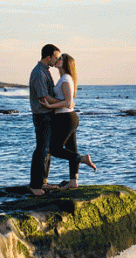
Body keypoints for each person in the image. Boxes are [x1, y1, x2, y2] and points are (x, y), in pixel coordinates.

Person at [40, 53, 96, 189]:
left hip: (66, 118)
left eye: (60, 59)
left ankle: (82, 159)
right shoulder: (64, 78)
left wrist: (50, 106)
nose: (58, 60)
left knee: (54, 149)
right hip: (68, 117)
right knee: (71, 149)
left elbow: (68, 102)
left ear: (65, 64)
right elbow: (69, 101)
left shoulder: (65, 78)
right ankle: (73, 181)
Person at [28, 44, 64, 196]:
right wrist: (64, 102)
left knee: (47, 150)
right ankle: (35, 185)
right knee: (41, 150)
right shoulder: (39, 73)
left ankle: (43, 182)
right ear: (48, 57)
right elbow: (44, 97)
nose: (57, 60)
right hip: (42, 115)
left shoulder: (45, 71)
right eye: (56, 57)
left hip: (47, 114)